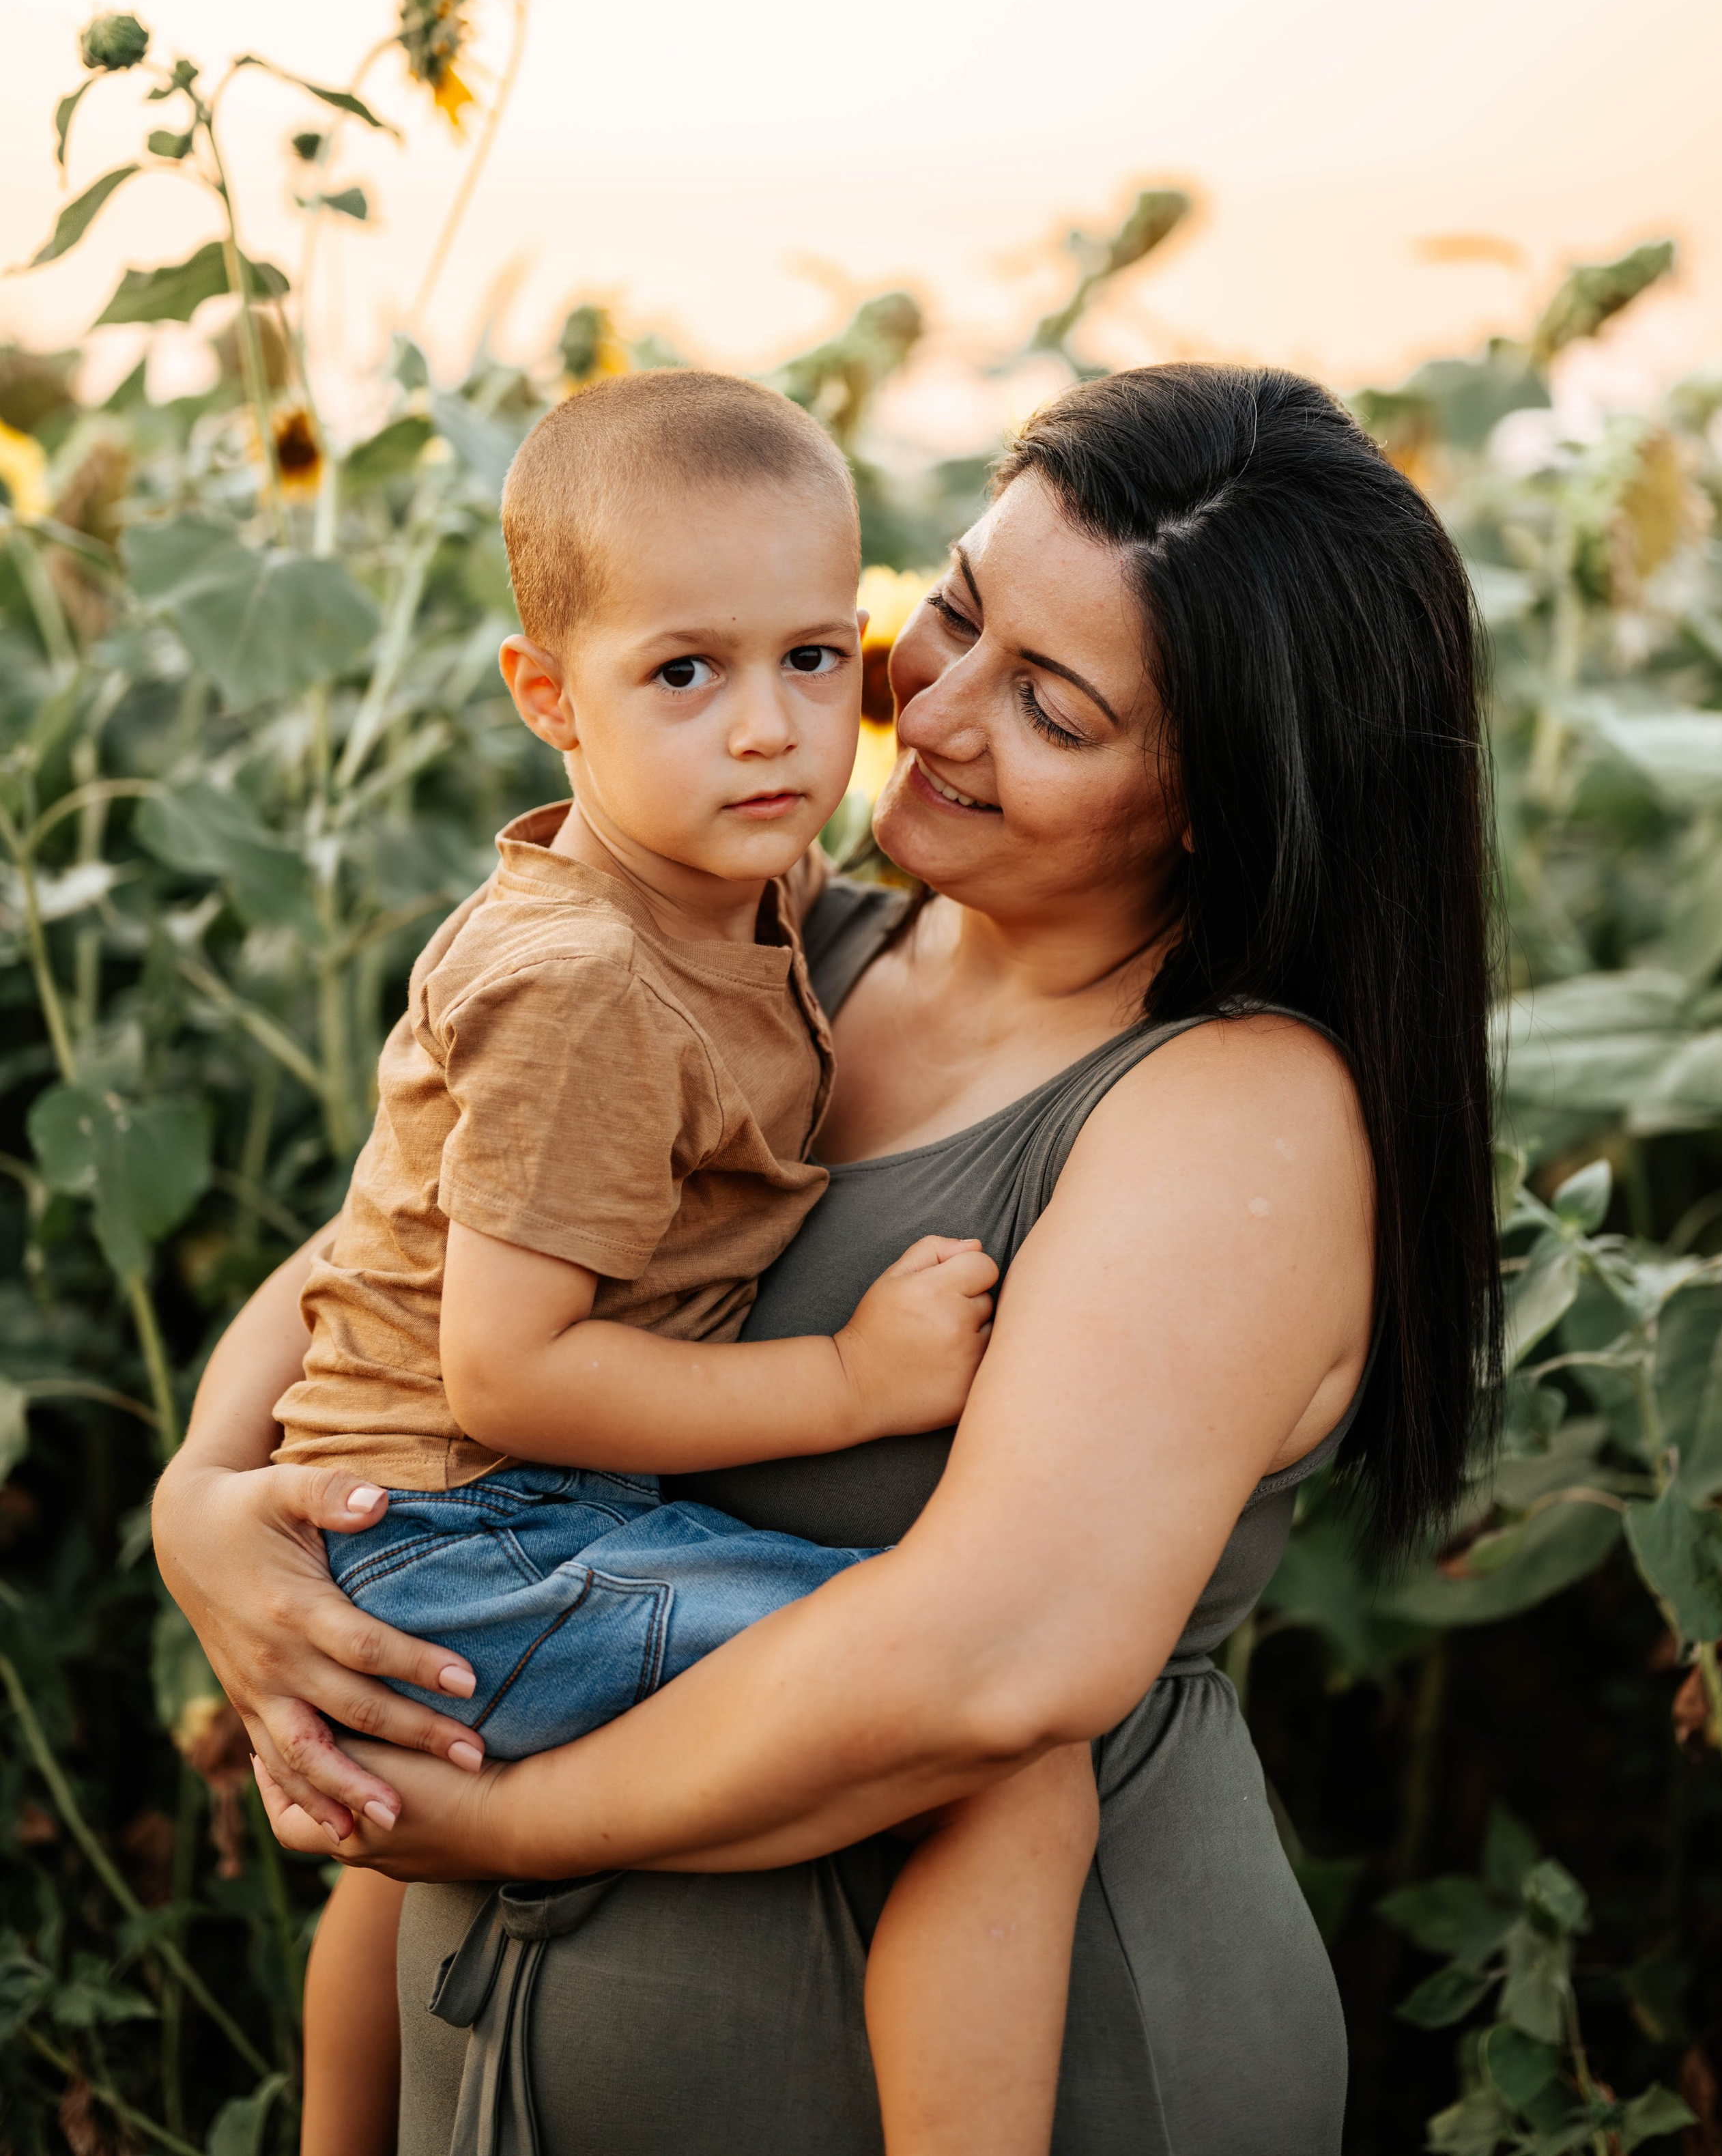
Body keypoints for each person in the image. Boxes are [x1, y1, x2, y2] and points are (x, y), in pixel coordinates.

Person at [154, 363, 1499, 2155]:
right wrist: (205, 1514)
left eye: (1053, 704)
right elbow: (389, 1239)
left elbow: (991, 1669)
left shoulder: (1230, 1115)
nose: (925, 705)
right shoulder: (756, 936)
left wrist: (502, 1822)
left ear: (1215, 797)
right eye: (949, 608)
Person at [274, 368, 1099, 2155]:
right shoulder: (586, 988)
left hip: (439, 1511)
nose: (770, 734)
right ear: (546, 699)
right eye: (685, 673)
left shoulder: (732, 887)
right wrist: (851, 1384)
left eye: (817, 657)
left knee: (379, 1855)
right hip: (465, 1527)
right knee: (999, 1758)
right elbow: (505, 1367)